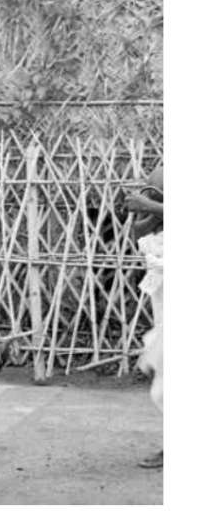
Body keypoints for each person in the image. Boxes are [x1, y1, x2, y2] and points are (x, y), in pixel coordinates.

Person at [124, 164, 163, 469]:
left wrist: (150, 205)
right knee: (161, 366)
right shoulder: (161, 170)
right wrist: (146, 209)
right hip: (163, 295)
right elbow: (139, 231)